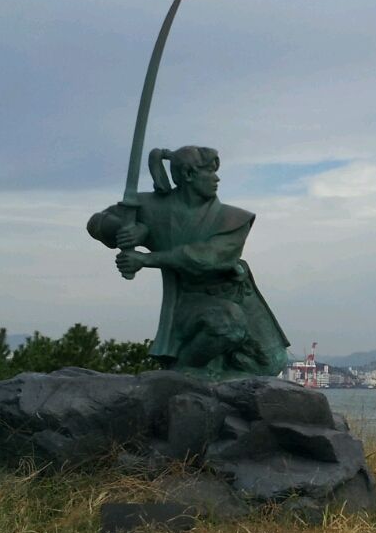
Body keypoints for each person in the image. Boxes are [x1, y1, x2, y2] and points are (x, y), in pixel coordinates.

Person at [87, 145, 289, 377]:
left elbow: (207, 257)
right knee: (228, 324)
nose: (217, 179)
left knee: (272, 363)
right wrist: (128, 230)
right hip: (189, 300)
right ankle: (188, 369)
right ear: (189, 174)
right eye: (210, 172)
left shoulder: (232, 218)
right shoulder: (153, 207)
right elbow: (97, 222)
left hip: (237, 293)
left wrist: (146, 259)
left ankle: (220, 371)